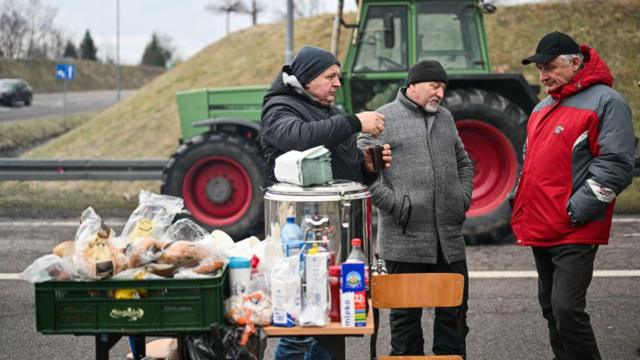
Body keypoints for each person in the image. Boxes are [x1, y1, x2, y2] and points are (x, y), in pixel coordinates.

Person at [260, 45, 392, 360]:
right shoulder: (279, 108)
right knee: (300, 320)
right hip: (297, 232)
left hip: (335, 232)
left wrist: (367, 168)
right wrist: (355, 122)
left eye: (338, 76)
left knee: (332, 315)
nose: (337, 83)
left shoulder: (329, 112)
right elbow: (300, 138)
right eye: (330, 76)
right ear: (306, 79)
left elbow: (343, 168)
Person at [511, 31, 635, 360]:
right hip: (541, 227)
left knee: (567, 309)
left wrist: (574, 211)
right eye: (540, 70)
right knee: (551, 309)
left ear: (575, 63)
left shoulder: (608, 102)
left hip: (573, 228)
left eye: (550, 67)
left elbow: (617, 166)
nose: (543, 76)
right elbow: (532, 165)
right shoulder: (541, 108)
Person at [360, 60, 474, 357]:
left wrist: (461, 199)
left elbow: (464, 162)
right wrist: (395, 206)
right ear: (412, 86)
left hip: (448, 239)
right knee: (405, 323)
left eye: (444, 88)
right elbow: (365, 172)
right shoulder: (382, 118)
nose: (440, 94)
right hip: (403, 238)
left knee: (455, 317)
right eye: (434, 86)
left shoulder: (446, 118)